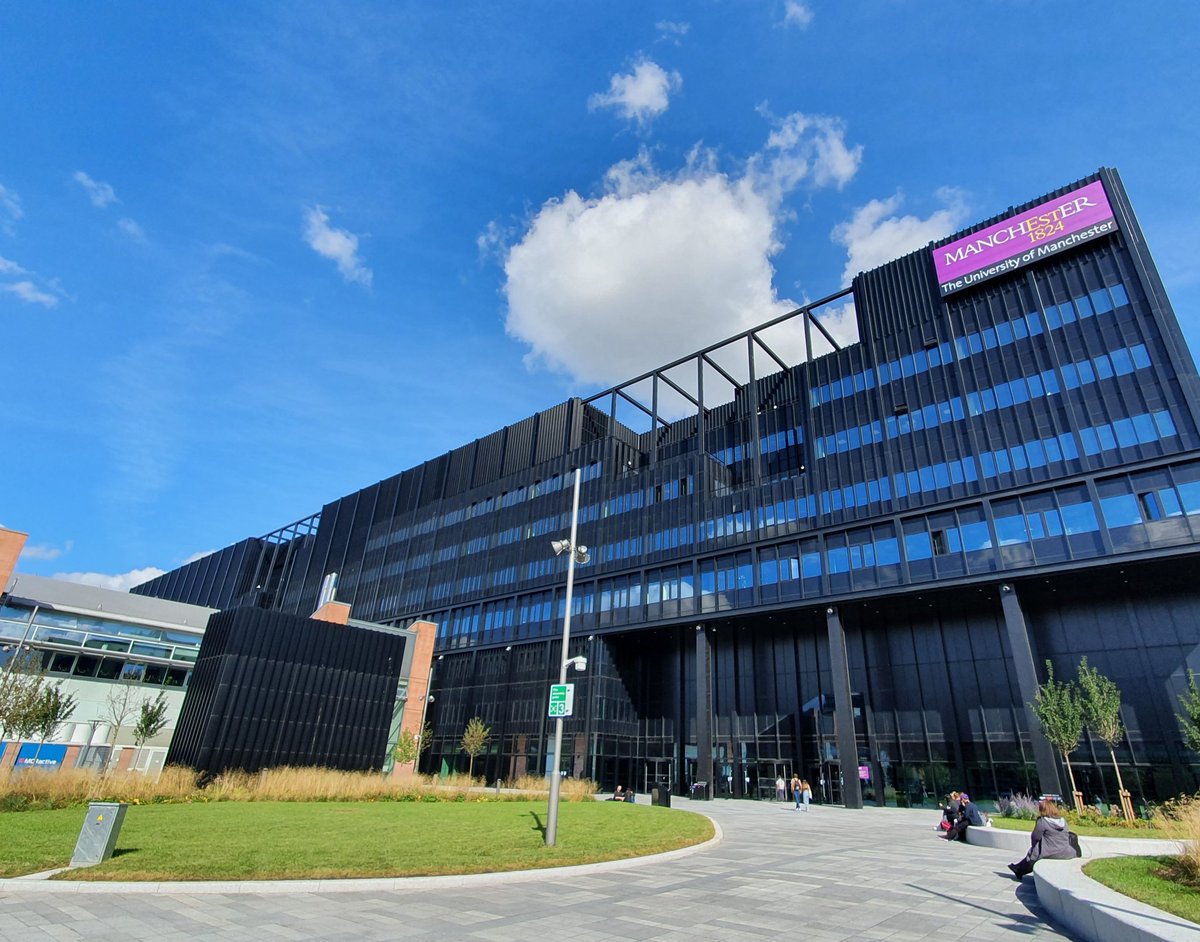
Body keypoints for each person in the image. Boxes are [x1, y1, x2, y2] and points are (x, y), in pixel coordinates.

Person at [1008, 799, 1076, 877]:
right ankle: (1018, 868)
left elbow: (1035, 837)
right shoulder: (1063, 821)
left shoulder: (1042, 821)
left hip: (1051, 852)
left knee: (1034, 852)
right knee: (1035, 851)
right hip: (1066, 852)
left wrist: (1034, 847)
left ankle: (1019, 870)